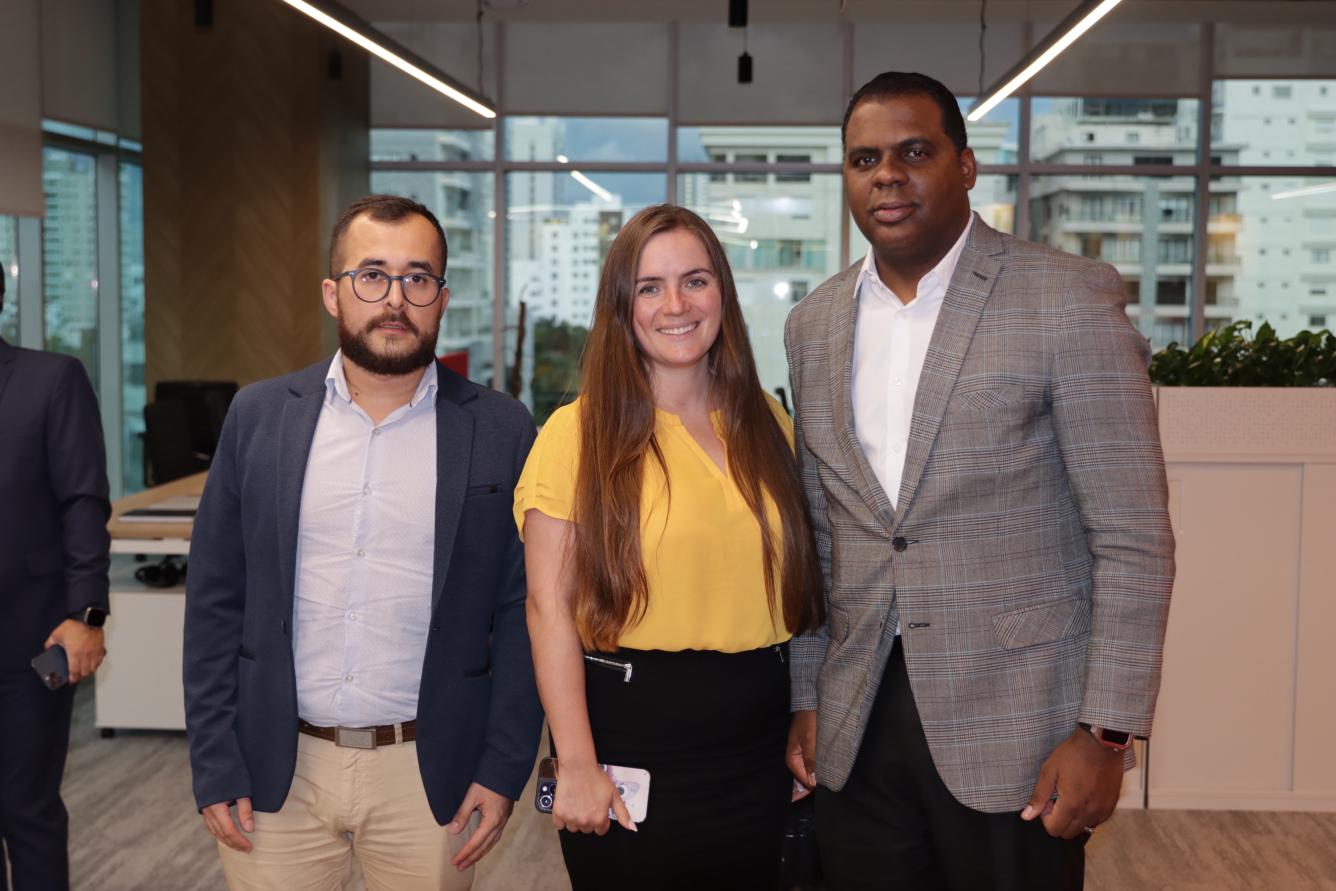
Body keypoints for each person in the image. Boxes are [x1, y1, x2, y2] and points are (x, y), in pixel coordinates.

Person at [783, 72, 1176, 889]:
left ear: (965, 166)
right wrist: (807, 693)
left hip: (1021, 729)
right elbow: (819, 534)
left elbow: (1134, 539)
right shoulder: (812, 324)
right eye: (864, 159)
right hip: (856, 727)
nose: (886, 174)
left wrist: (1106, 733)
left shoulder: (1065, 299)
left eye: (914, 152)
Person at [184, 194, 543, 891]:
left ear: (442, 296)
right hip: (272, 767)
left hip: (430, 772)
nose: (395, 299)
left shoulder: (501, 430)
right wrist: (214, 759)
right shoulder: (258, 417)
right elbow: (214, 600)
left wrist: (501, 768)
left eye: (418, 278)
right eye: (371, 275)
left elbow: (524, 610)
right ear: (333, 293)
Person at [517, 204, 824, 891]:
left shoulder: (768, 423)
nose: (675, 304)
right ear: (622, 306)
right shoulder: (577, 436)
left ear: (723, 294)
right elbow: (547, 609)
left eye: (695, 280)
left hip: (757, 742)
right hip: (634, 744)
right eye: (650, 287)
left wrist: (804, 714)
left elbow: (803, 588)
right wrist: (575, 761)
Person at [0, 268, 111, 891]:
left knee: (26, 809)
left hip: (30, 642)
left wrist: (88, 615)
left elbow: (83, 502)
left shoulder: (50, 379)